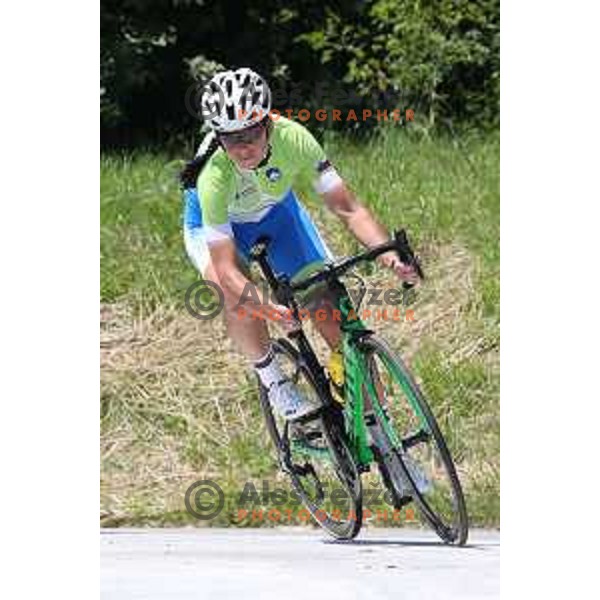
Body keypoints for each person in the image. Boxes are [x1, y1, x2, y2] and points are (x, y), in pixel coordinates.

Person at [182, 67, 417, 420]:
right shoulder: (213, 175)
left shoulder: (295, 138)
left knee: (330, 306)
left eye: (250, 132)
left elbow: (347, 207)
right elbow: (227, 269)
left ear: (268, 124)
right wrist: (270, 309)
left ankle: (383, 436)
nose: (243, 147)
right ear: (217, 137)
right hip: (216, 227)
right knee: (236, 294)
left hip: (276, 214)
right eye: (230, 138)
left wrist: (389, 255)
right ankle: (273, 380)